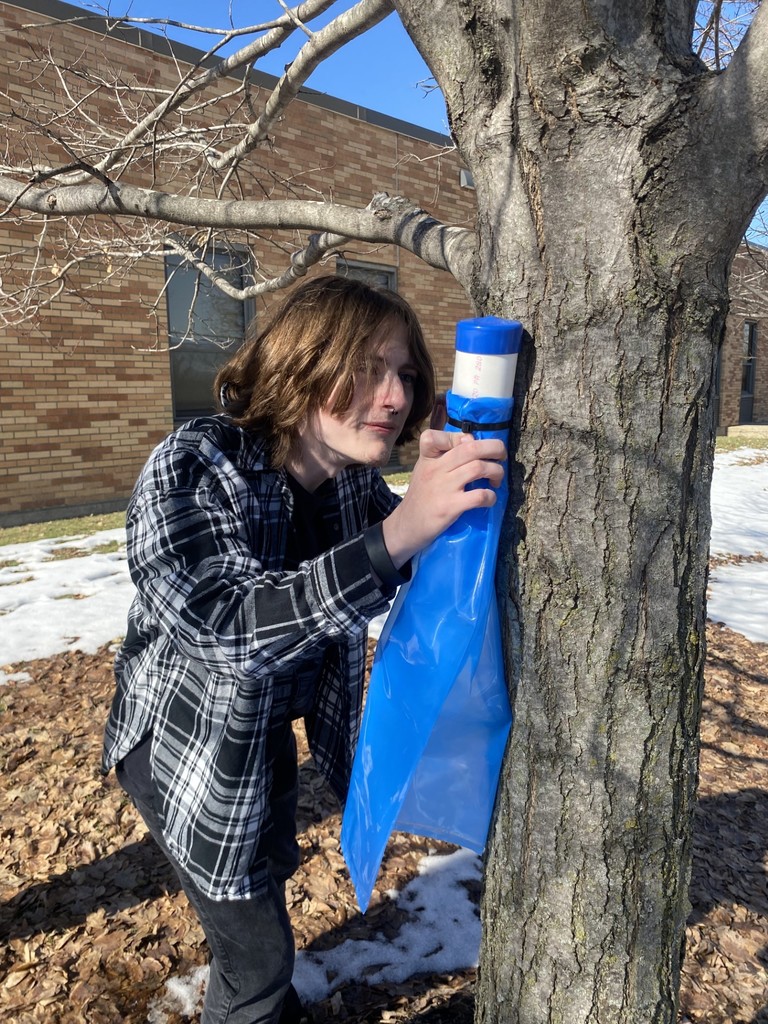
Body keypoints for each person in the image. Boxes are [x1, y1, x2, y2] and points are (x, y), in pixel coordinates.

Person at [102, 275, 507, 1024]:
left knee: (269, 871)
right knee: (255, 947)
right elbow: (221, 627)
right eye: (367, 369)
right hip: (183, 747)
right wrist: (395, 538)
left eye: (406, 376)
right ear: (300, 362)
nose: (393, 397)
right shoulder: (194, 464)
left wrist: (457, 494)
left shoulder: (349, 482)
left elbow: (420, 552)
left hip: (266, 731)